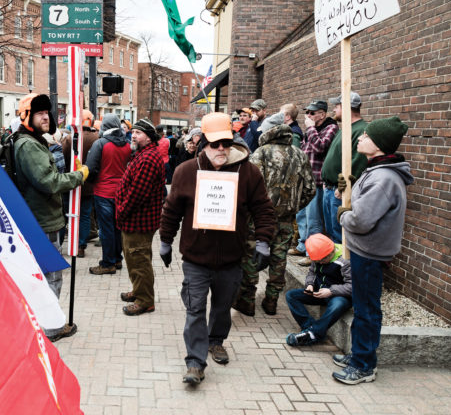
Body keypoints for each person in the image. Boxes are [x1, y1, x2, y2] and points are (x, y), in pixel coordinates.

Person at [160, 112, 276, 386]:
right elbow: (171, 209)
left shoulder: (248, 172)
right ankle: (195, 362)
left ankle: (216, 341)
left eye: (226, 142)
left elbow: (263, 209)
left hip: (231, 259)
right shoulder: (186, 171)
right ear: (204, 144)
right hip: (196, 258)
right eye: (215, 144)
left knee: (222, 308)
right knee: (195, 308)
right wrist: (165, 241)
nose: (221, 149)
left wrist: (263, 241)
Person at [332, 116, 413, 385]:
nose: (360, 138)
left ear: (378, 145)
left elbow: (362, 220)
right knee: (363, 305)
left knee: (367, 310)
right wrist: (347, 192)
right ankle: (359, 354)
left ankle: (364, 365)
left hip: (369, 253)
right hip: (364, 251)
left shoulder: (384, 178)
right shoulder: (376, 171)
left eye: (366, 135)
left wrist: (343, 214)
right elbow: (363, 204)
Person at [12, 93, 89, 342]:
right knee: (51, 276)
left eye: (47, 112)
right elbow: (49, 182)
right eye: (39, 113)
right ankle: (52, 328)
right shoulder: (28, 145)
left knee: (45, 276)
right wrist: (79, 176)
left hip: (42, 220)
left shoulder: (35, 141)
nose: (46, 117)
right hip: (42, 223)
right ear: (27, 117)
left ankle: (40, 323)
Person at [234, 112, 315, 317]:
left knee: (251, 258)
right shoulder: (300, 154)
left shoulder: (261, 153)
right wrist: (295, 206)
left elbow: (247, 185)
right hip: (287, 219)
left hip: (259, 218)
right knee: (279, 260)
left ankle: (248, 300)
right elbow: (310, 189)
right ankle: (271, 301)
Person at [115, 119, 165, 316]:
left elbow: (136, 195)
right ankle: (138, 291)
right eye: (133, 132)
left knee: (139, 260)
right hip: (135, 220)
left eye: (138, 133)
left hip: (138, 220)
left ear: (148, 137)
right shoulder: (144, 154)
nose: (134, 135)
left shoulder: (148, 159)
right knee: (134, 258)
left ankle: (145, 300)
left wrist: (121, 212)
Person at [290, 100, 339, 265]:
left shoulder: (330, 127)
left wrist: (310, 128)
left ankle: (313, 255)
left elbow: (320, 147)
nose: (308, 116)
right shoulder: (312, 130)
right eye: (307, 113)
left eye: (312, 113)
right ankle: (303, 246)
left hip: (317, 181)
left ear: (322, 114)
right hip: (305, 180)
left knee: (314, 220)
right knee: (301, 215)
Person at [85, 114, 132, 275]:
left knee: (106, 230)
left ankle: (108, 263)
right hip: (121, 192)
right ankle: (117, 259)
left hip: (103, 192)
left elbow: (90, 168)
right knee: (118, 228)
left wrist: (92, 180)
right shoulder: (127, 145)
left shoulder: (100, 144)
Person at [285, 234, 351, 346]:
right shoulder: (318, 256)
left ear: (329, 253)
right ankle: (310, 328)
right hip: (319, 292)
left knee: (337, 305)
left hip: (339, 295)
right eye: (317, 261)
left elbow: (352, 286)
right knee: (291, 295)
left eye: (322, 261)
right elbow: (312, 272)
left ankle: (313, 334)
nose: (319, 263)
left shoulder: (345, 261)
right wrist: (310, 285)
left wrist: (331, 291)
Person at [321, 92, 368, 243]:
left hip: (339, 192)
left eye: (337, 106)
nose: (334, 110)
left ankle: (342, 267)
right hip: (329, 189)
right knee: (331, 232)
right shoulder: (344, 129)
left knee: (339, 235)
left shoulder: (360, 130)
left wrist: (345, 188)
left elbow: (359, 161)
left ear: (347, 107)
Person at [62, 110, 98, 258]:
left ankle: (65, 243)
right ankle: (81, 245)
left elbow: (63, 158)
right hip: (89, 184)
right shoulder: (97, 138)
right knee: (84, 216)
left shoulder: (70, 139)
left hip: (70, 182)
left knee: (65, 215)